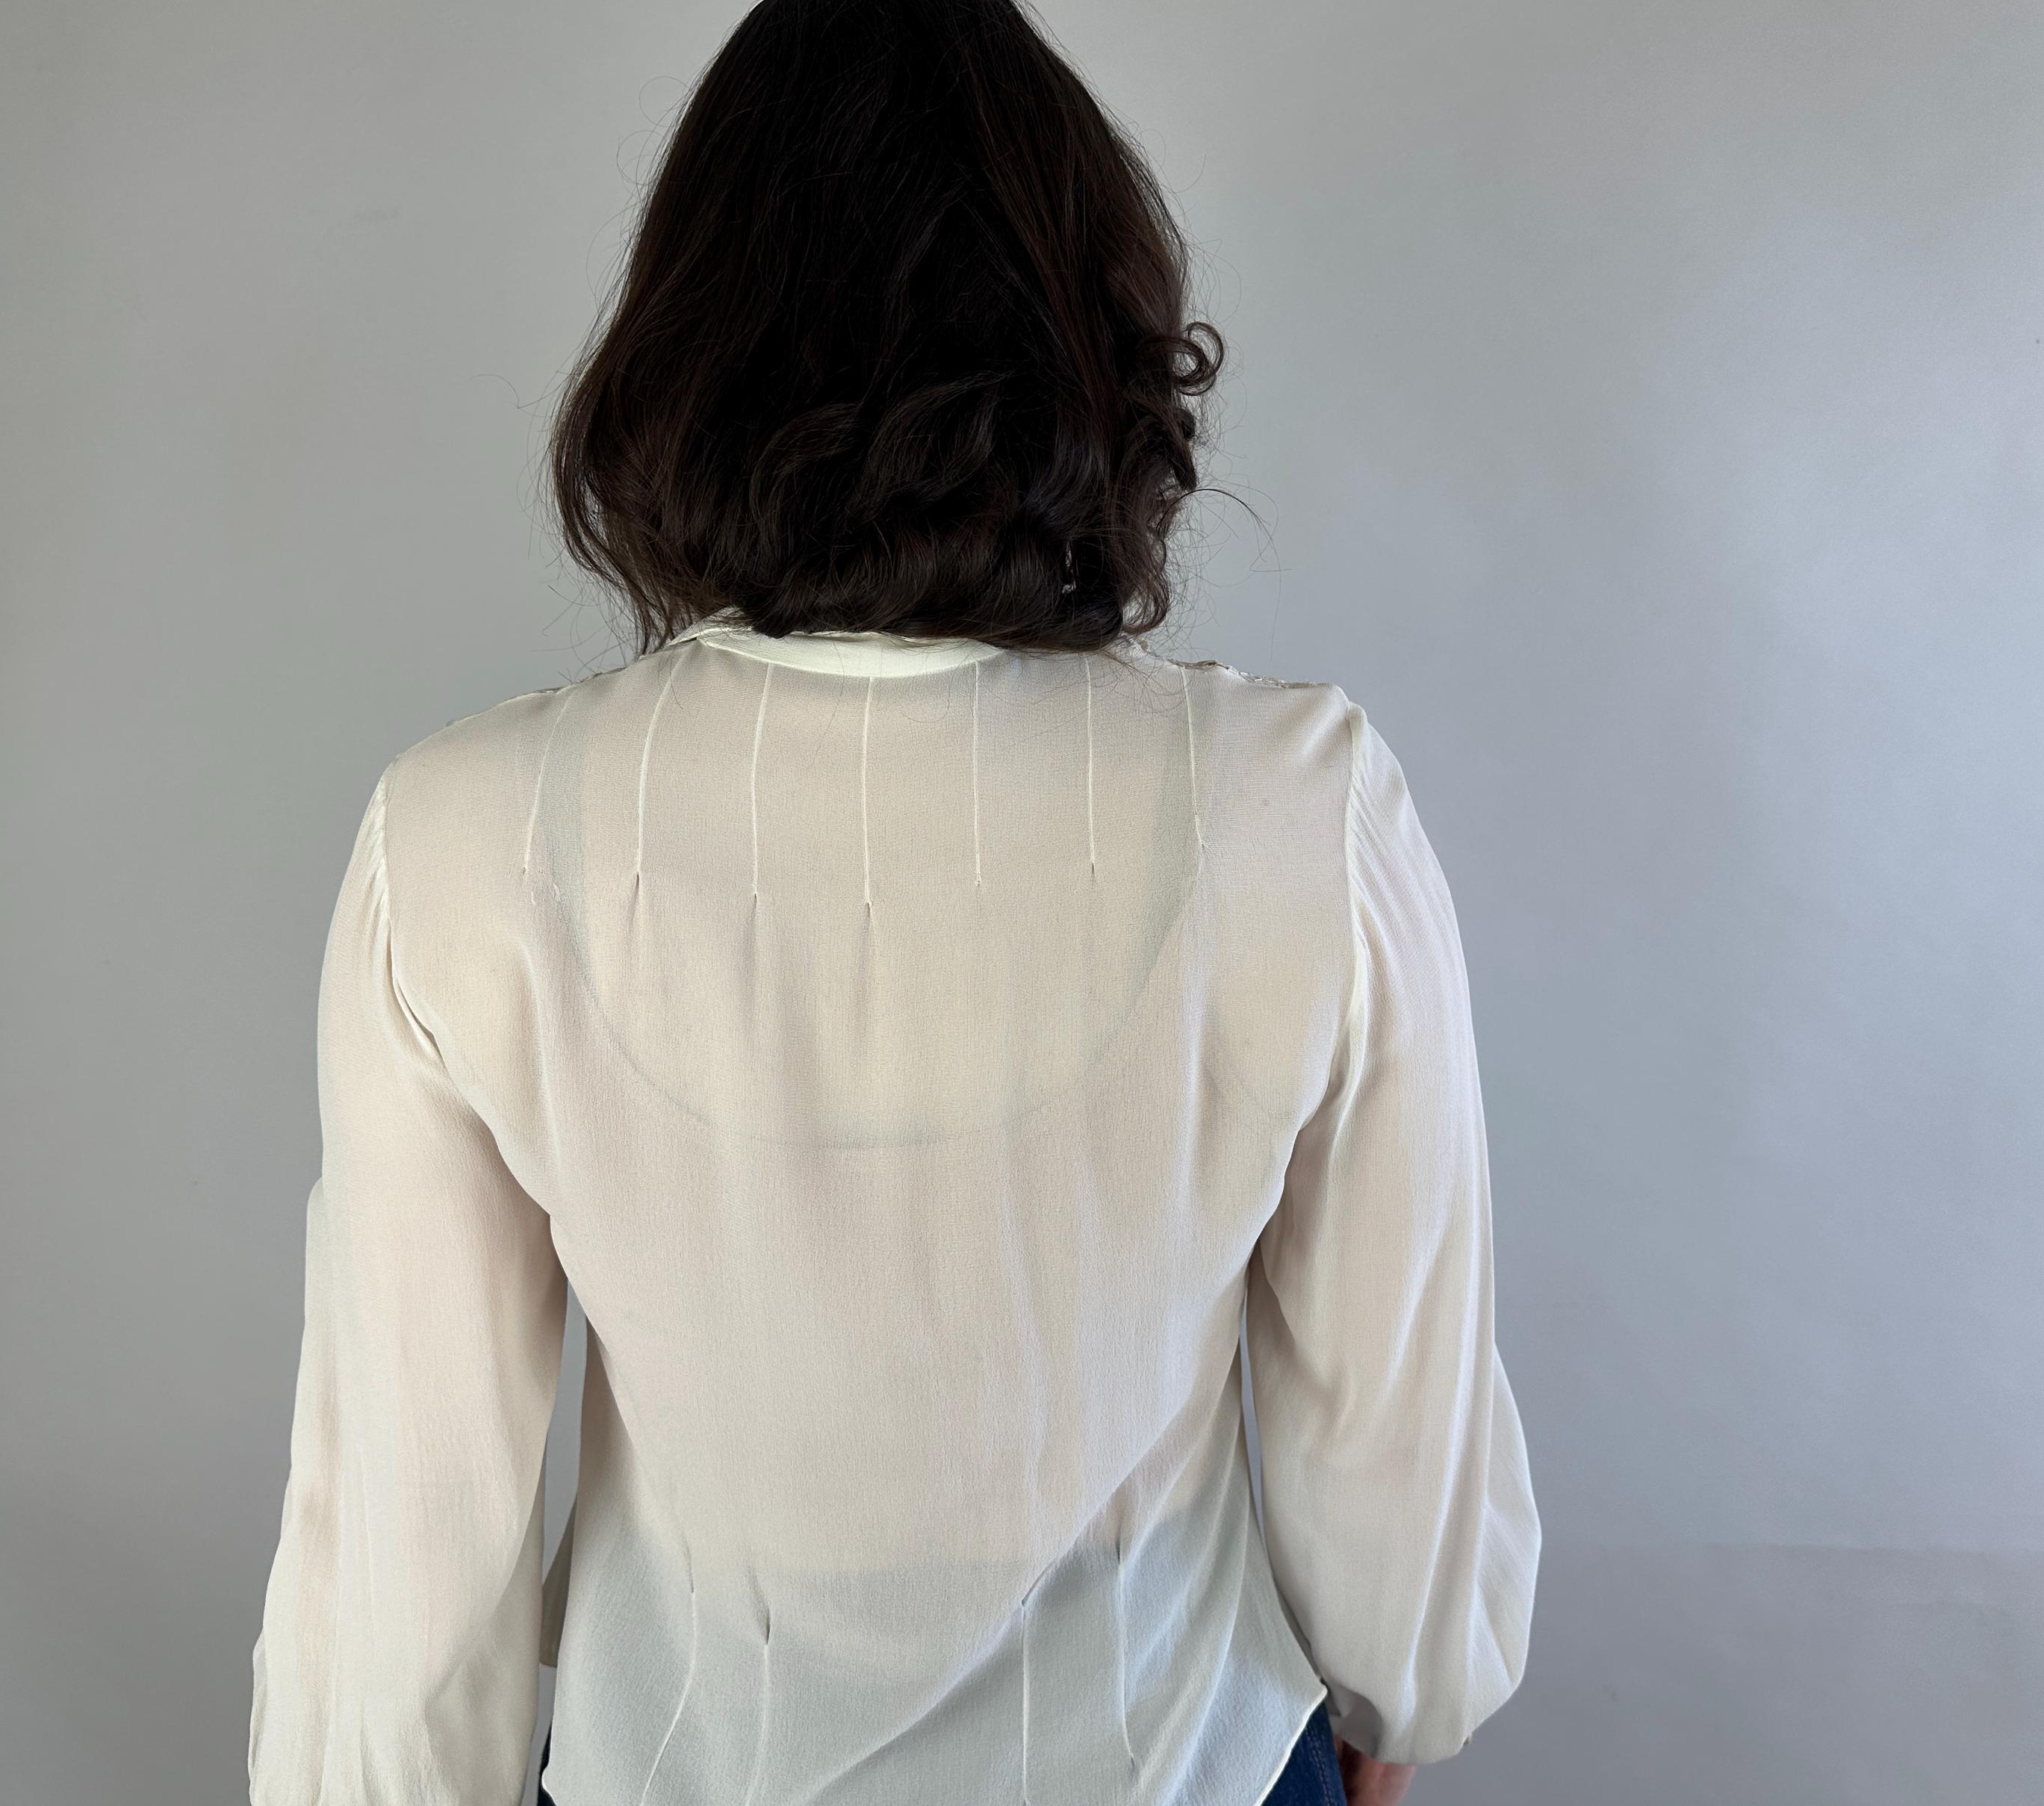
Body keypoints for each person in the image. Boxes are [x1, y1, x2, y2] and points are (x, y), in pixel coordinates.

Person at [246, 2, 1541, 1803]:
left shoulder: (463, 840)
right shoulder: (1297, 809)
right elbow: (1392, 1434)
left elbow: (408, 1532)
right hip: (1187, 1766)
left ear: (686, 353)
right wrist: (1402, 1695)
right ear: (1094, 346)